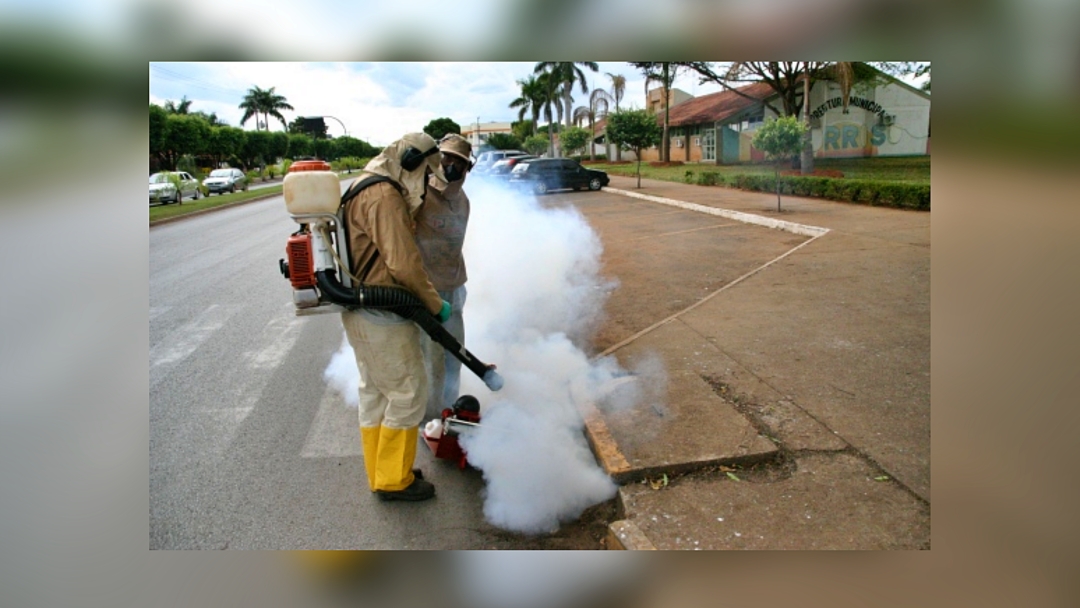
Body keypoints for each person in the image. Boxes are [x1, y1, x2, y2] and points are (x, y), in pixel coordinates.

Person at [340, 132, 450, 502]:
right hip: (383, 312)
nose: (424, 183)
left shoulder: (361, 184)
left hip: (362, 310)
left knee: (375, 393)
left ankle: (383, 471)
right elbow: (403, 263)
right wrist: (435, 305)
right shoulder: (384, 195)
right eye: (425, 173)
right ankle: (394, 480)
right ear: (410, 163)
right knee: (408, 392)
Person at [415, 133, 473, 421]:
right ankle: (430, 417)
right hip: (427, 292)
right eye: (446, 158)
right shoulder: (420, 195)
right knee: (430, 361)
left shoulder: (463, 201)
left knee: (456, 357)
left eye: (458, 161)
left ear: (467, 168)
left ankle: (450, 414)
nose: (450, 165)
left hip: (455, 288)